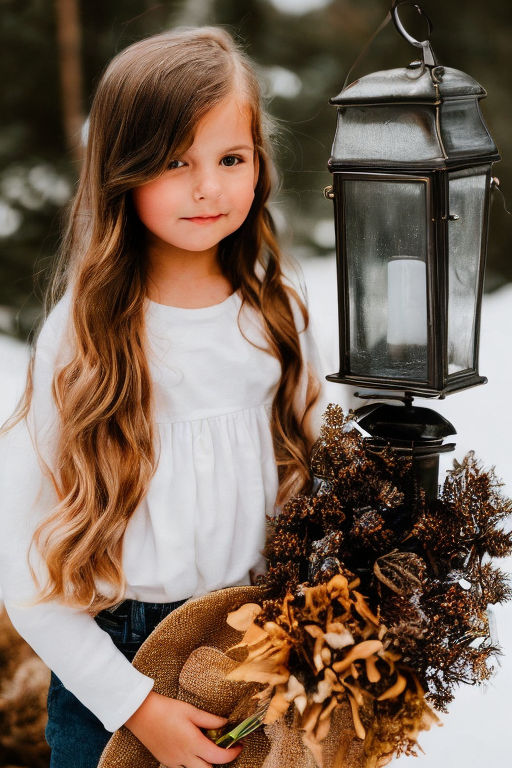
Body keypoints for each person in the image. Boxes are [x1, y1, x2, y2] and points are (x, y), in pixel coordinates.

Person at [0, 26, 328, 768]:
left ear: (259, 166)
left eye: (230, 158)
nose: (208, 186)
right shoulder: (85, 336)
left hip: (255, 656)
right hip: (112, 669)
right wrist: (134, 705)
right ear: (123, 170)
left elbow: (318, 490)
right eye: (176, 162)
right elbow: (24, 565)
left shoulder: (277, 316)